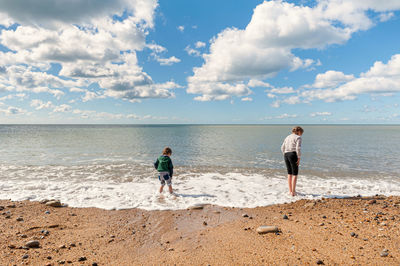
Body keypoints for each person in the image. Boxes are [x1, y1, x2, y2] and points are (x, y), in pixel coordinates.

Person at [281, 126, 304, 196]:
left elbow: (282, 147)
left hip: (286, 154)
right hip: (293, 154)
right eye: (301, 133)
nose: (301, 135)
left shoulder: (287, 137)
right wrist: (299, 157)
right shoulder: (298, 138)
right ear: (299, 132)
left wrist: (285, 154)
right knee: (295, 174)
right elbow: (298, 148)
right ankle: (293, 192)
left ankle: (290, 191)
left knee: (289, 173)